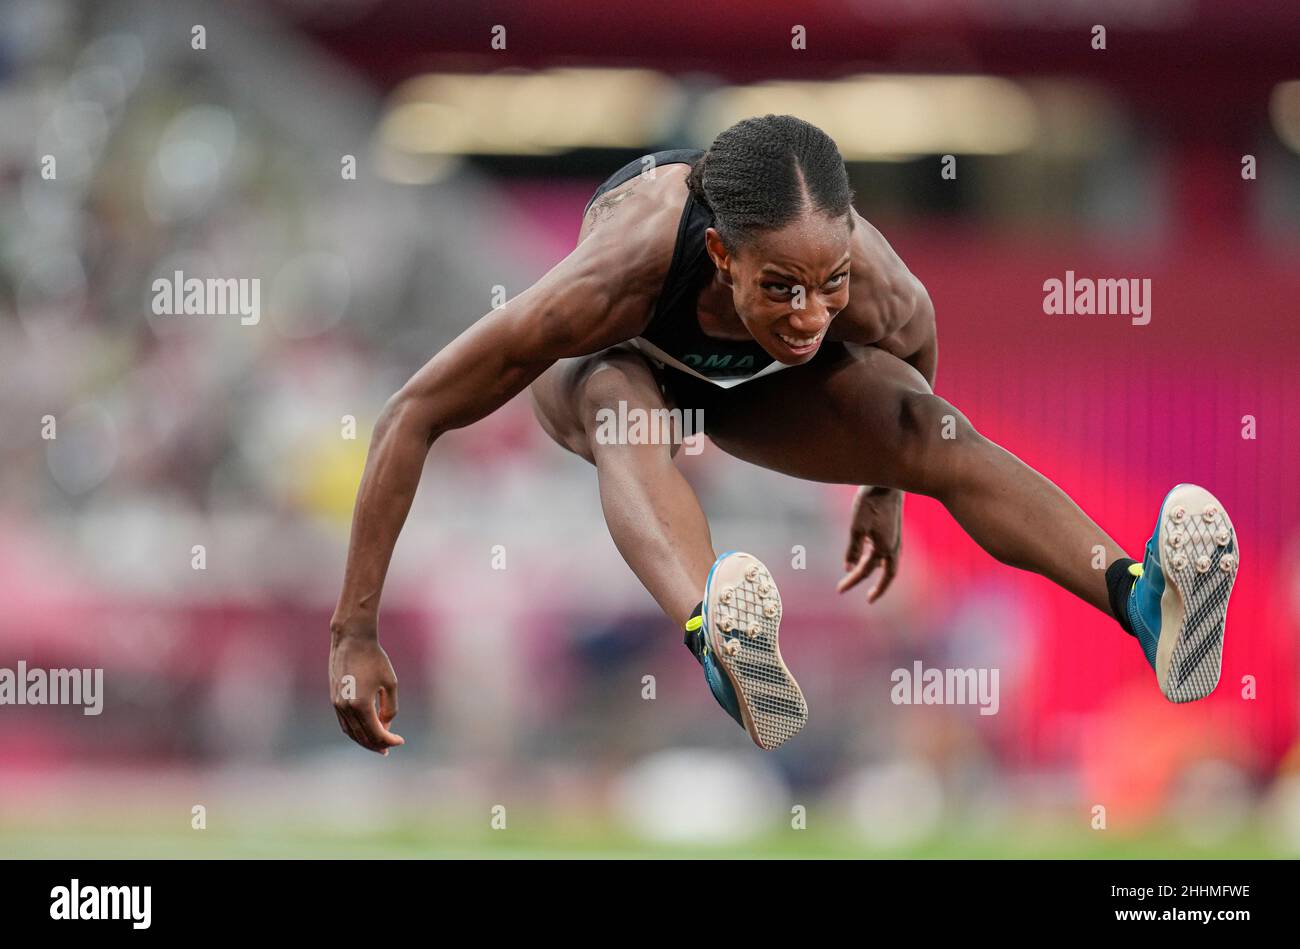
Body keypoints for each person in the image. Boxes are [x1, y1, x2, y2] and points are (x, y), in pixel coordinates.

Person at [328, 114, 1239, 752]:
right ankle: (715, 634)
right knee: (622, 403)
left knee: (932, 429)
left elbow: (913, 355)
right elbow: (412, 413)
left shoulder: (877, 286)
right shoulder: (613, 274)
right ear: (723, 258)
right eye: (781, 288)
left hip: (747, 392)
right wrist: (353, 634)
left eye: (828, 282)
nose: (810, 314)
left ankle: (1138, 595)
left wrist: (888, 488)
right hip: (613, 367)